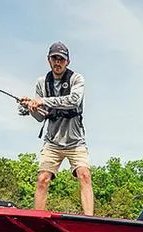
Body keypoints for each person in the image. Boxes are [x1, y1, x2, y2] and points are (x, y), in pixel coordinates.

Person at [18, 41, 94, 216]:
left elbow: (73, 100)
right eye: (54, 58)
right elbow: (40, 117)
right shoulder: (42, 83)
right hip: (52, 141)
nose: (58, 62)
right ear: (49, 60)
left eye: (61, 59)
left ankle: (89, 219)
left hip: (75, 141)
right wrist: (30, 107)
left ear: (67, 62)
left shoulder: (76, 79)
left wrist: (42, 101)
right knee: (42, 179)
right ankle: (38, 219)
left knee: (84, 175)